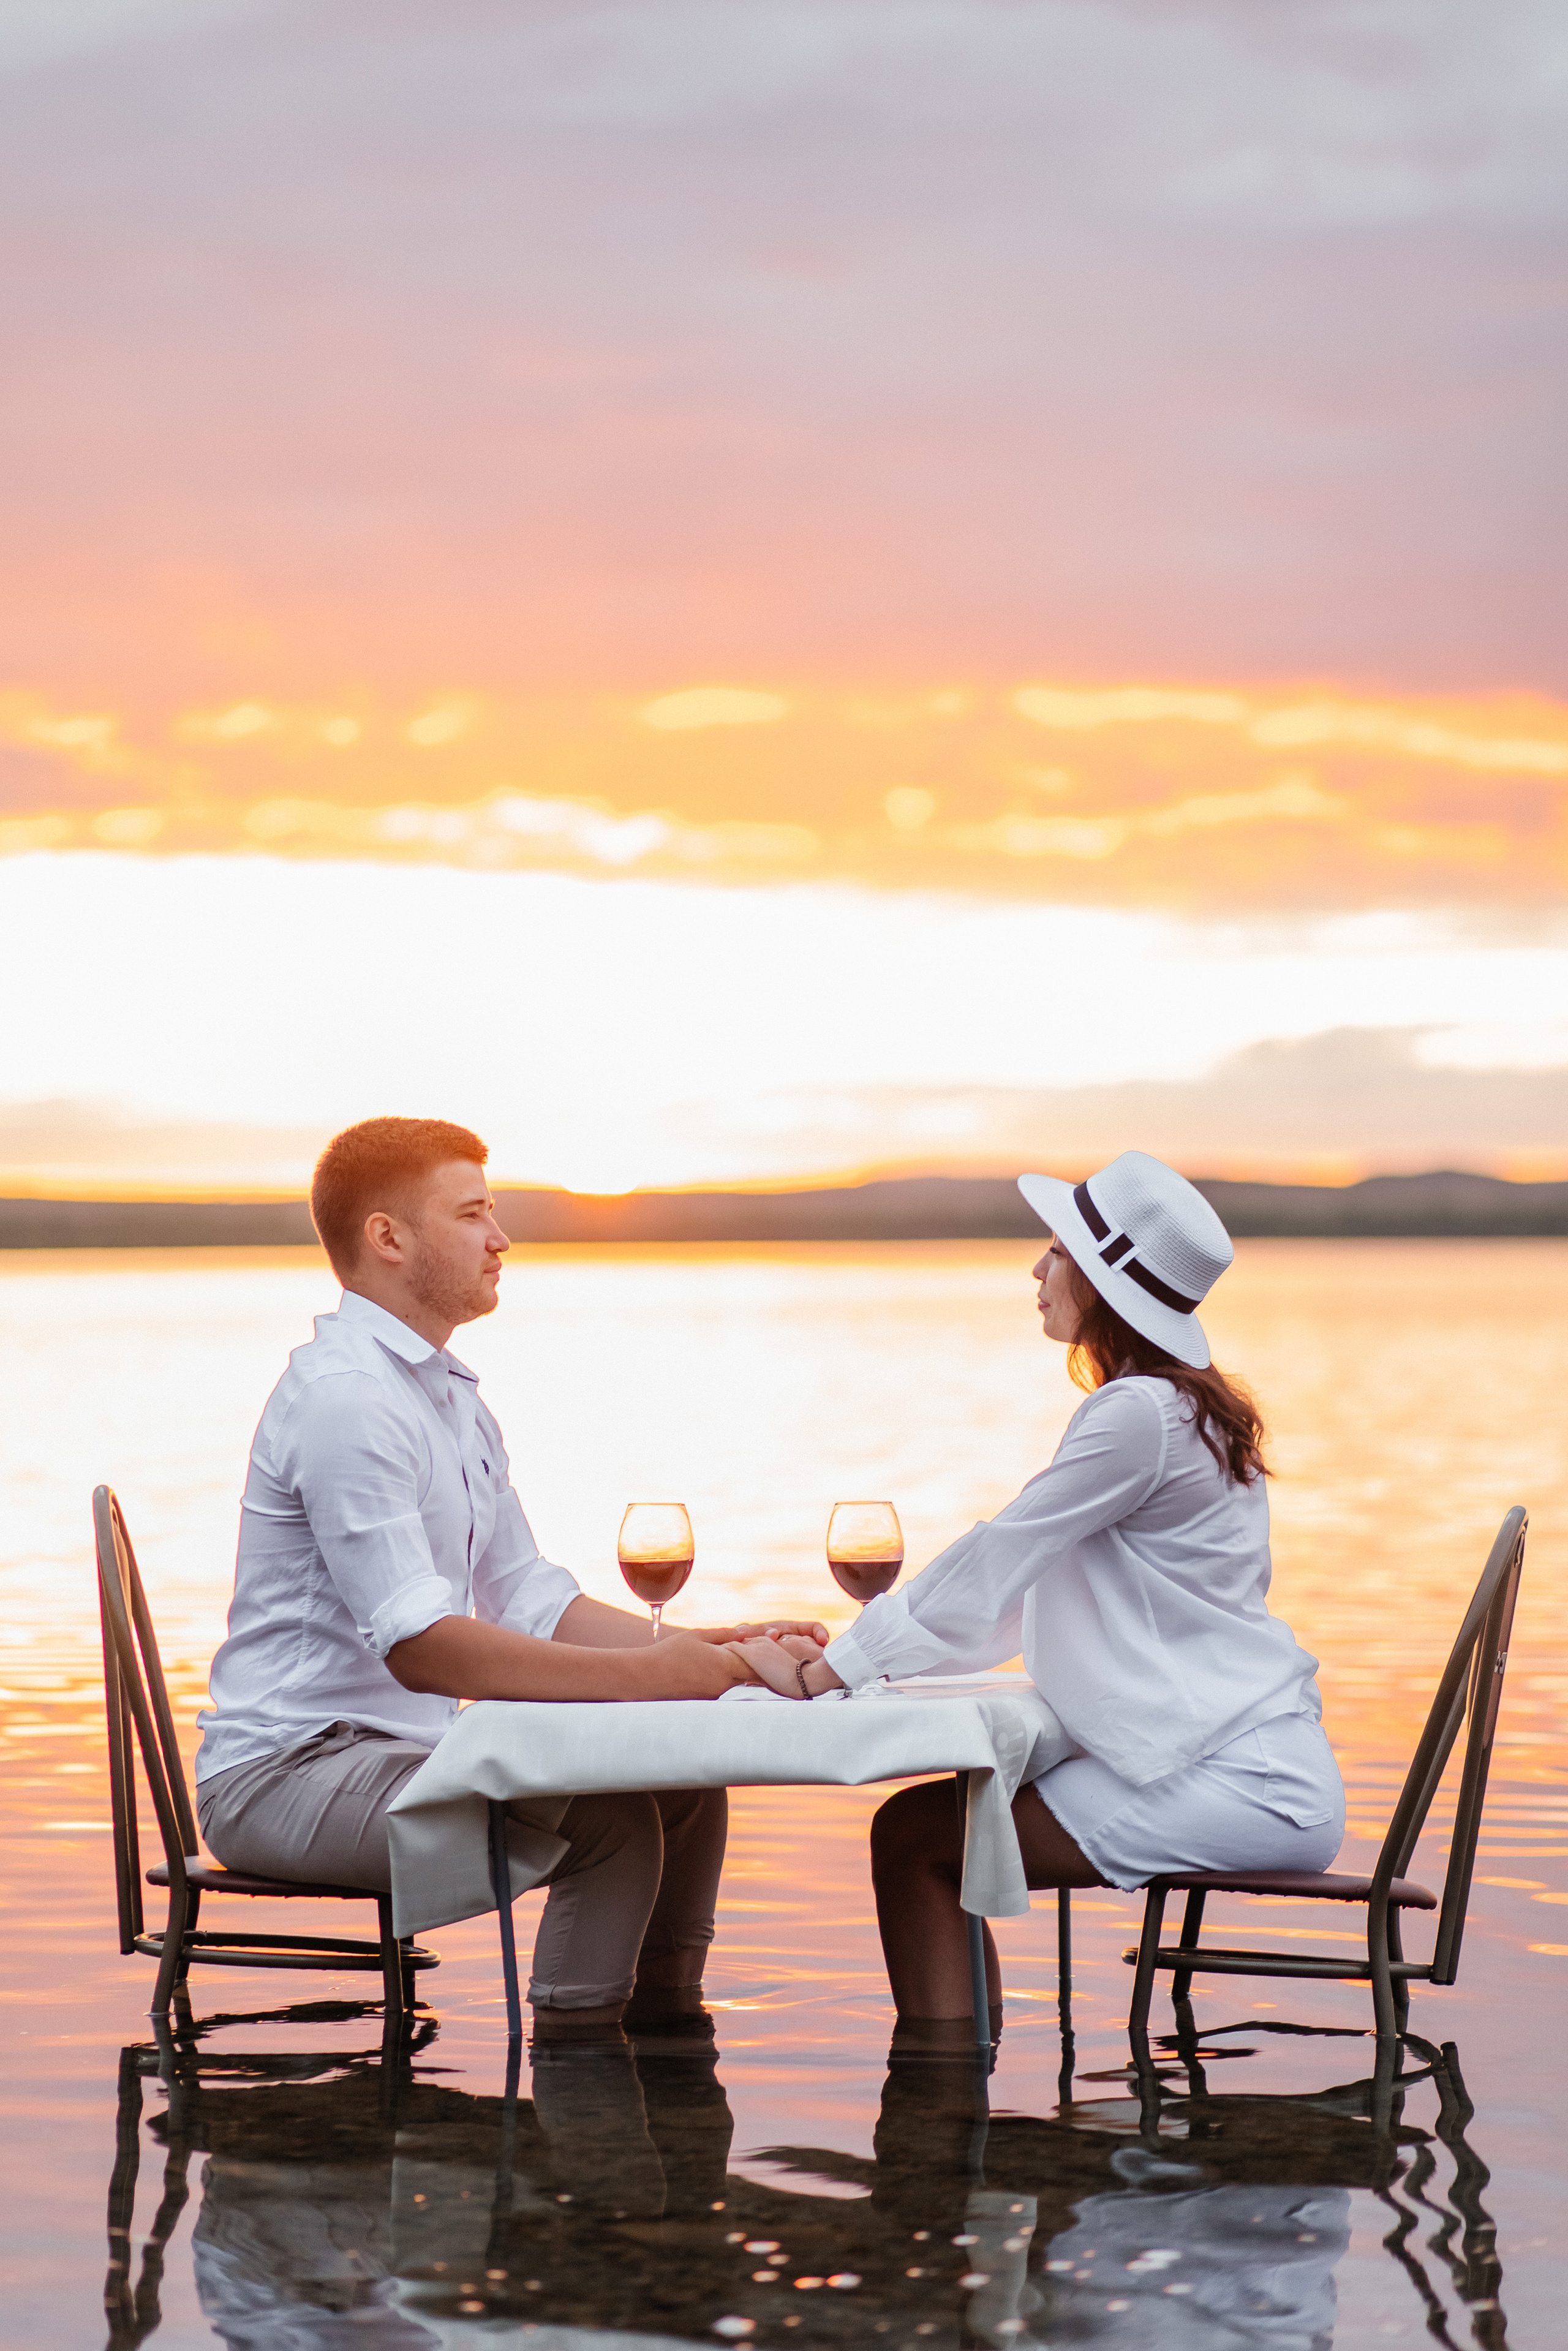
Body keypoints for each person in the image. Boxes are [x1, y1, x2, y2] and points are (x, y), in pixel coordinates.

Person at [194, 1116, 822, 2042]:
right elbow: (423, 1648)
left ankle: (669, 2058)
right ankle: (582, 2095)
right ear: (389, 1237)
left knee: (689, 1778)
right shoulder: (346, 1399)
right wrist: (657, 1679)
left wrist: (701, 1648)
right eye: (474, 1212)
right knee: (612, 1817)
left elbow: (530, 1593)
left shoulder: (444, 1393)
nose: (502, 1237)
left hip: (389, 1755)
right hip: (287, 1773)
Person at [746, 1150, 1345, 2054]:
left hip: (1241, 1780)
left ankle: (946, 2108)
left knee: (916, 1841)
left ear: (1102, 1282)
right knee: (923, 1829)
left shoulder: (1139, 1416)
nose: (1036, 1268)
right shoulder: (1178, 1409)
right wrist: (860, 1659)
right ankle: (965, 2090)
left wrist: (833, 1669)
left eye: (1056, 1248)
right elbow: (1024, 1592)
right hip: (1253, 1762)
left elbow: (1002, 1551)